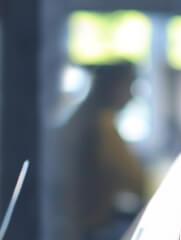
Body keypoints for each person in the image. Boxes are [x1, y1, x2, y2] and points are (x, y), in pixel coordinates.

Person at [55, 61, 148, 240]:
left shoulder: (83, 117)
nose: (130, 96)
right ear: (113, 87)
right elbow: (135, 179)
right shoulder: (101, 125)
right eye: (128, 87)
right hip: (89, 229)